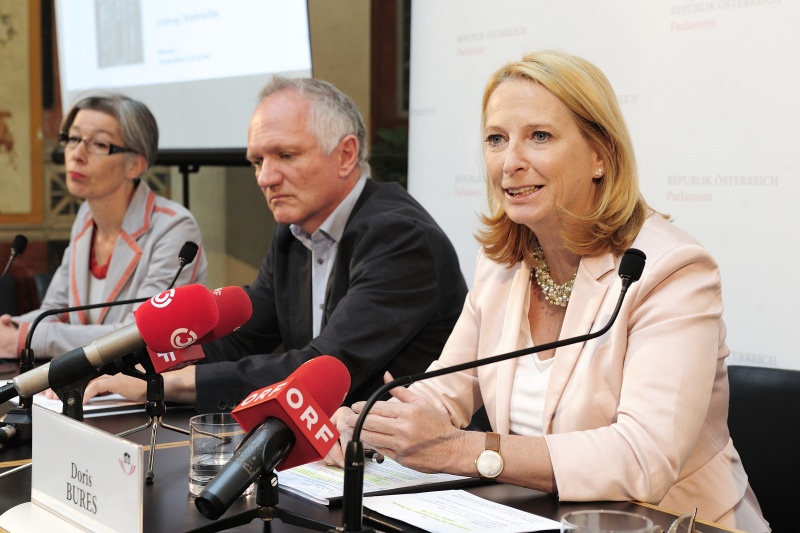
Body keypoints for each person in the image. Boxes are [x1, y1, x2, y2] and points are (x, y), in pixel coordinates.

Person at [325, 51, 770, 532]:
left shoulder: (671, 269)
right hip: (538, 519)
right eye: (496, 140)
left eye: (539, 136)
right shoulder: (502, 265)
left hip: (674, 523)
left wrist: (461, 449)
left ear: (600, 155)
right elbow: (445, 391)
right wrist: (375, 427)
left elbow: (643, 459)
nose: (510, 162)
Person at [83, 77, 468, 414]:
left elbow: (326, 365)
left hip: (411, 465)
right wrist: (132, 367)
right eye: (256, 161)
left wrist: (173, 384)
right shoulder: (293, 233)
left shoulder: (400, 237)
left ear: (346, 155)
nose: (266, 178)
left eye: (285, 155)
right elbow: (244, 338)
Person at [0, 93, 207, 360]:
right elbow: (54, 310)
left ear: (135, 165)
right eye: (73, 139)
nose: (77, 154)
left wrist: (25, 338)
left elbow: (139, 333)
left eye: (98, 144)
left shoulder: (174, 228)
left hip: (145, 387)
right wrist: (12, 326)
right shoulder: (86, 218)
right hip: (87, 380)